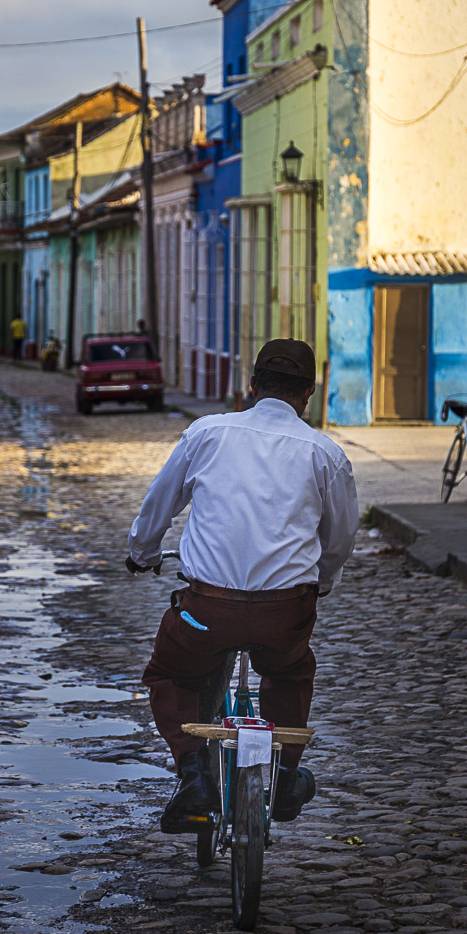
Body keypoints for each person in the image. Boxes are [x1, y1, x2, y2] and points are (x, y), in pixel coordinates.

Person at [126, 338, 358, 833]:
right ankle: (288, 775)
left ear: (251, 386)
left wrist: (142, 554)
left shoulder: (206, 434)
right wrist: (324, 581)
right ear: (309, 393)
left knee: (171, 674)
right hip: (286, 613)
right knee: (292, 672)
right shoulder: (325, 453)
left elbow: (158, 506)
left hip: (207, 612)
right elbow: (339, 540)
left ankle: (193, 774)